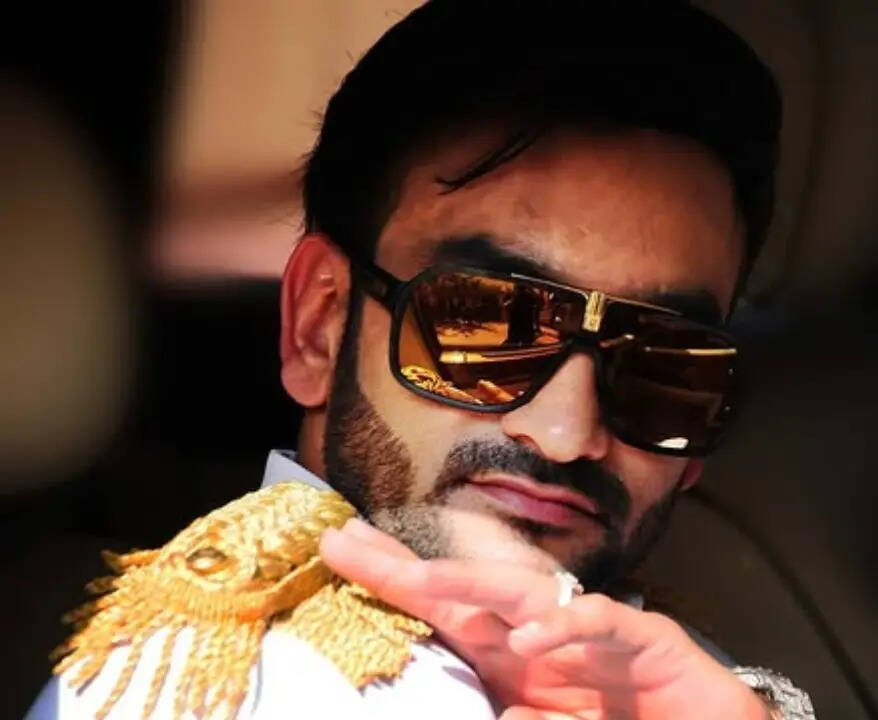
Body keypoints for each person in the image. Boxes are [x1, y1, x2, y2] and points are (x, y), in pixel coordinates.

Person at [27, 1, 816, 718]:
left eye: (665, 364)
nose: (567, 432)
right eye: (486, 322)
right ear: (319, 326)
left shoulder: (688, 682)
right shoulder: (209, 685)